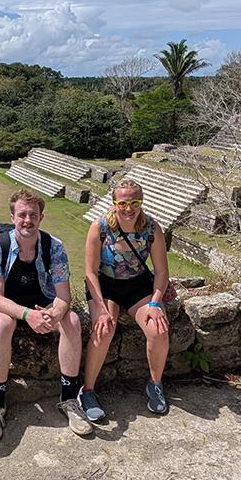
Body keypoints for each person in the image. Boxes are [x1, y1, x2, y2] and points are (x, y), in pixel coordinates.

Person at [0, 189, 91, 442]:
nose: (27, 220)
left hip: (42, 298)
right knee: (4, 323)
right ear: (12, 217)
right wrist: (29, 315)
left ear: (41, 217)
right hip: (8, 302)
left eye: (33, 214)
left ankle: (69, 397)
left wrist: (54, 314)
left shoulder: (54, 246)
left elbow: (63, 296)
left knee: (71, 321)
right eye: (22, 215)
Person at [81, 178, 171, 421]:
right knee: (103, 329)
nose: (128, 208)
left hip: (138, 286)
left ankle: (155, 384)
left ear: (141, 202)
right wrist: (100, 307)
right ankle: (87, 390)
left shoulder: (151, 228)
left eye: (134, 202)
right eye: (123, 203)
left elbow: (161, 271)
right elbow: (90, 271)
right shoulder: (100, 227)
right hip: (105, 285)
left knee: (159, 330)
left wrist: (155, 303)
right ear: (114, 203)